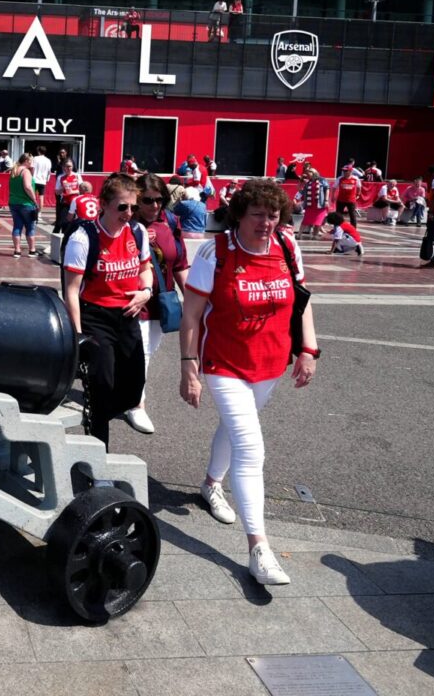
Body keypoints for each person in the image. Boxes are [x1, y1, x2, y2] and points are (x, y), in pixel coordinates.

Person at [179, 178, 318, 586]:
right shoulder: (215, 252)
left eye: (273, 215)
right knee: (251, 446)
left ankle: (210, 485)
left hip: (271, 362)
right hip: (223, 363)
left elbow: (303, 298)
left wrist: (309, 349)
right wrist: (189, 366)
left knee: (236, 429)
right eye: (257, 214)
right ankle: (259, 548)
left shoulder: (288, 247)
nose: (266, 223)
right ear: (238, 215)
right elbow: (191, 316)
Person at [62, 173, 154, 447]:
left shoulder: (137, 232)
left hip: (127, 317)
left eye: (133, 207)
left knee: (133, 389)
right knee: (101, 387)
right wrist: (79, 335)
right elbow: (71, 290)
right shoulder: (83, 237)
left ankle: (99, 411)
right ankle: (96, 456)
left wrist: (146, 292)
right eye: (122, 207)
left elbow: (146, 270)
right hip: (95, 318)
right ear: (103, 204)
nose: (129, 213)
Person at [125, 173, 191, 436]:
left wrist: (195, 300)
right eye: (148, 200)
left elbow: (181, 264)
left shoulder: (171, 221)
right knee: (141, 354)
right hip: (132, 299)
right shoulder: (126, 221)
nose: (154, 206)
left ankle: (127, 393)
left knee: (149, 349)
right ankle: (136, 404)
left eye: (159, 200)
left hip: (161, 300)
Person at [10, 156, 40, 258]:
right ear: (26, 161)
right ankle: (32, 250)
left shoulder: (14, 171)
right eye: (31, 160)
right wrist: (34, 200)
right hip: (26, 203)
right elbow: (27, 186)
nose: (32, 162)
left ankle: (17, 250)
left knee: (17, 226)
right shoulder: (25, 171)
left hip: (14, 202)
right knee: (30, 227)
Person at [296, 166, 330, 239]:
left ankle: (315, 235)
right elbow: (302, 191)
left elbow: (327, 189)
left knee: (318, 220)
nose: (307, 175)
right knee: (306, 219)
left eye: (309, 173)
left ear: (314, 173)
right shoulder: (309, 182)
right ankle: (299, 234)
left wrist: (326, 200)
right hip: (310, 204)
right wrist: (297, 197)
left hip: (320, 204)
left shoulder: (322, 180)